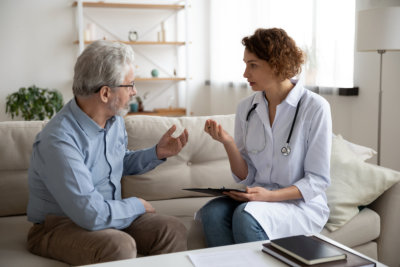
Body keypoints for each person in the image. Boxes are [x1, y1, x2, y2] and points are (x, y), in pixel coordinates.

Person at [26, 40, 189, 265]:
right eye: (129, 84)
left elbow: (116, 161)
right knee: (119, 245)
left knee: (172, 229)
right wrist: (137, 205)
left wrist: (157, 153)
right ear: (105, 93)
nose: (134, 92)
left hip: (108, 213)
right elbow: (90, 214)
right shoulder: (59, 141)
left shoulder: (114, 120)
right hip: (60, 224)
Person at [201, 28, 332, 247]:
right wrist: (228, 142)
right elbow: (247, 175)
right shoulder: (247, 108)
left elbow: (317, 181)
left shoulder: (314, 108)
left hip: (299, 204)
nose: (245, 73)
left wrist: (267, 197)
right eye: (245, 64)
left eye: (253, 65)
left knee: (245, 216)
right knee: (211, 213)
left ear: (277, 64)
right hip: (259, 198)